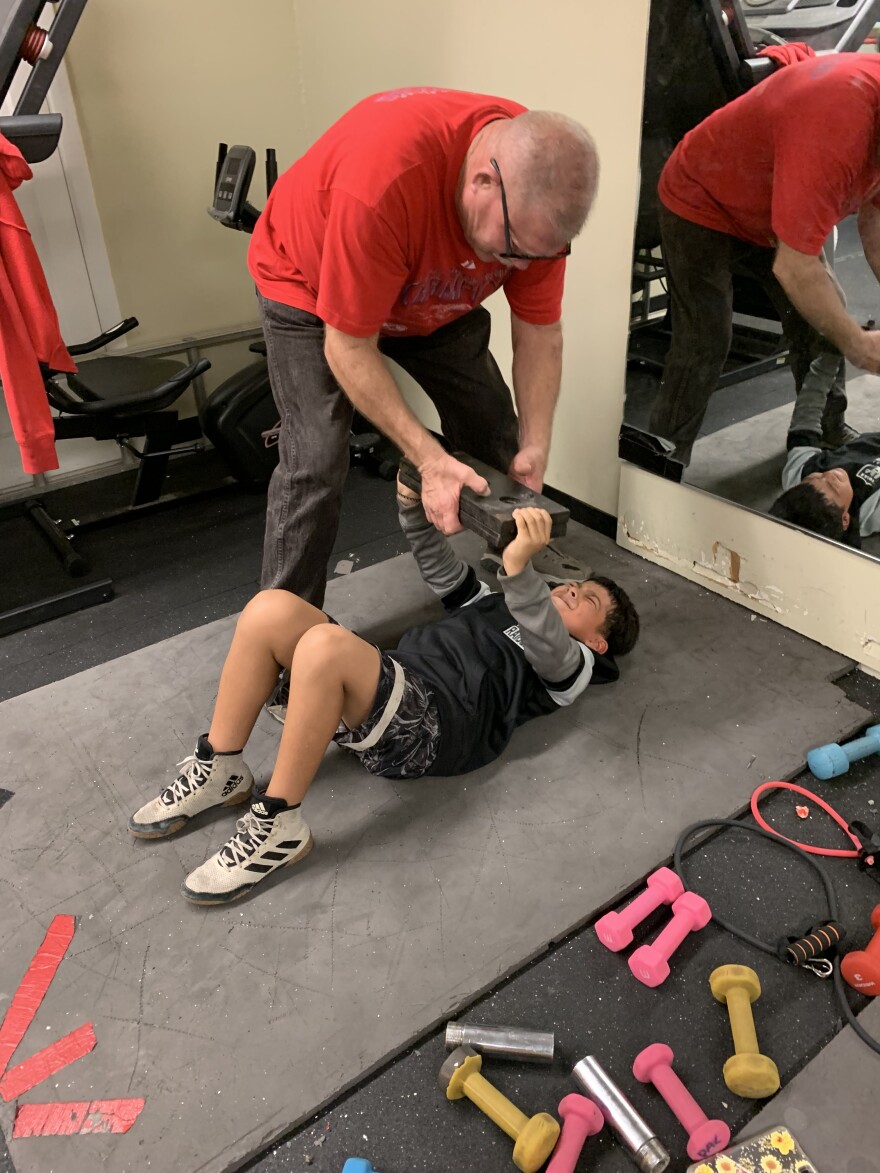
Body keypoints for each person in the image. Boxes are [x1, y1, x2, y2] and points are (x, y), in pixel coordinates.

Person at [128, 488, 639, 906]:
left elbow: (548, 638)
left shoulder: (573, 666)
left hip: (441, 725)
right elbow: (440, 567)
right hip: (396, 681)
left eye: (587, 600)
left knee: (324, 648)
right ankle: (223, 767)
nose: (572, 590)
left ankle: (279, 824)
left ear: (597, 640)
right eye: (576, 585)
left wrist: (520, 570)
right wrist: (411, 503)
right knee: (270, 608)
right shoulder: (496, 604)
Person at [247, 87, 599, 607]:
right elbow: (349, 347)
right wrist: (430, 461)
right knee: (316, 458)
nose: (521, 269)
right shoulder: (384, 183)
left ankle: (513, 564)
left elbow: (541, 332)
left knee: (493, 427)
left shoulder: (541, 195)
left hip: (427, 293)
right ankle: (281, 628)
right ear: (483, 182)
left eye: (537, 257)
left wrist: (538, 442)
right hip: (307, 285)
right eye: (513, 252)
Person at [647, 51, 880, 466]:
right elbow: (795, 266)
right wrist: (858, 345)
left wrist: (844, 332)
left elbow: (875, 222)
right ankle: (661, 463)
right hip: (701, 197)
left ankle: (827, 434)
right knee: (705, 340)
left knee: (824, 320)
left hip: (769, 206)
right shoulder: (837, 128)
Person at [769, 432, 880, 546]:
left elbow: (803, 432)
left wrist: (811, 414)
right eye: (833, 487)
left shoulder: (798, 474)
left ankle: (832, 426)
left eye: (815, 476)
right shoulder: (872, 513)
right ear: (845, 519)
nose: (828, 475)